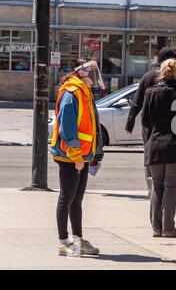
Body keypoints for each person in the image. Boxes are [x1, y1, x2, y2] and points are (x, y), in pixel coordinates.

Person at [50, 60, 104, 257]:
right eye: (90, 72)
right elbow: (67, 127)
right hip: (70, 156)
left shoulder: (84, 92)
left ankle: (78, 240)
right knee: (67, 197)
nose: (94, 76)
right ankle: (64, 242)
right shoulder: (72, 93)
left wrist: (91, 155)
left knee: (77, 200)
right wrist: (76, 155)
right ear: (81, 73)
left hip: (82, 155)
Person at [142, 58, 176, 238]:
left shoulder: (150, 92)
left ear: (161, 72)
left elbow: (145, 121)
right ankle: (168, 228)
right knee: (172, 187)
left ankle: (156, 228)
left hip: (156, 145)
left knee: (157, 186)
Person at [125, 47, 176, 199]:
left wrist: (130, 122)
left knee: (150, 153)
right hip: (169, 123)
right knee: (168, 153)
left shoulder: (148, 76)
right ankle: (163, 184)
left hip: (149, 123)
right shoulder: (173, 76)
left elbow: (137, 101)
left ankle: (153, 183)